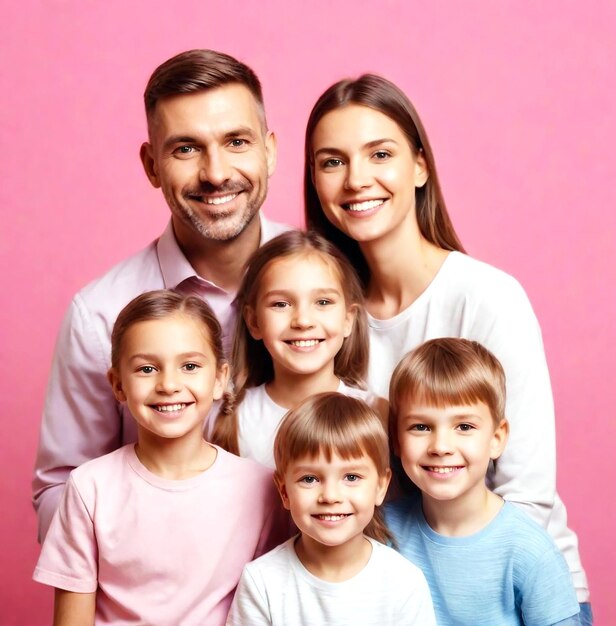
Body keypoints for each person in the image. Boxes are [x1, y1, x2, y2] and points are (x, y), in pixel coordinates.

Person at [304, 73, 591, 619]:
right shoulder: (324, 317)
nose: (356, 179)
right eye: (332, 161)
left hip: (515, 600)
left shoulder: (487, 297)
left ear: (419, 166)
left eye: (379, 154)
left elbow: (525, 495)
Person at [33, 49, 290, 540]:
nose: (216, 173)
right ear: (152, 164)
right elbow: (60, 493)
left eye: (237, 141)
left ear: (270, 150)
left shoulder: (327, 288)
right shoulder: (100, 315)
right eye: (185, 149)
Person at [33, 290, 286, 625]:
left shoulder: (260, 488)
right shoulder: (89, 487)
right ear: (118, 385)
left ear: (219, 379)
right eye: (147, 368)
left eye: (190, 366)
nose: (169, 384)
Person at [384, 338, 581, 625]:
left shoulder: (528, 551)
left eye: (464, 426)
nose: (441, 446)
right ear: (396, 439)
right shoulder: (382, 532)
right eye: (421, 427)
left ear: (496, 439)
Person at [227, 392, 436, 626]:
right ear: (284, 491)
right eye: (309, 479)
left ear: (380, 486)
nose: (330, 496)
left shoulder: (403, 581)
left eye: (351, 477)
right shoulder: (261, 582)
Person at [211, 229, 383, 468]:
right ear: (254, 321)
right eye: (281, 304)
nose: (303, 321)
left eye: (323, 302)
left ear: (348, 319)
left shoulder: (379, 414)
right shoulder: (232, 418)